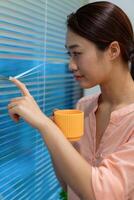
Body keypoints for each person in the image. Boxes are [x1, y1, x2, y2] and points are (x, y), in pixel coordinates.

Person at [8, 1, 134, 199]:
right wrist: (54, 134)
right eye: (69, 54)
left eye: (77, 53)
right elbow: (69, 186)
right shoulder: (83, 107)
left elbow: (100, 194)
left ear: (113, 51)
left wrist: (45, 126)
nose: (71, 65)